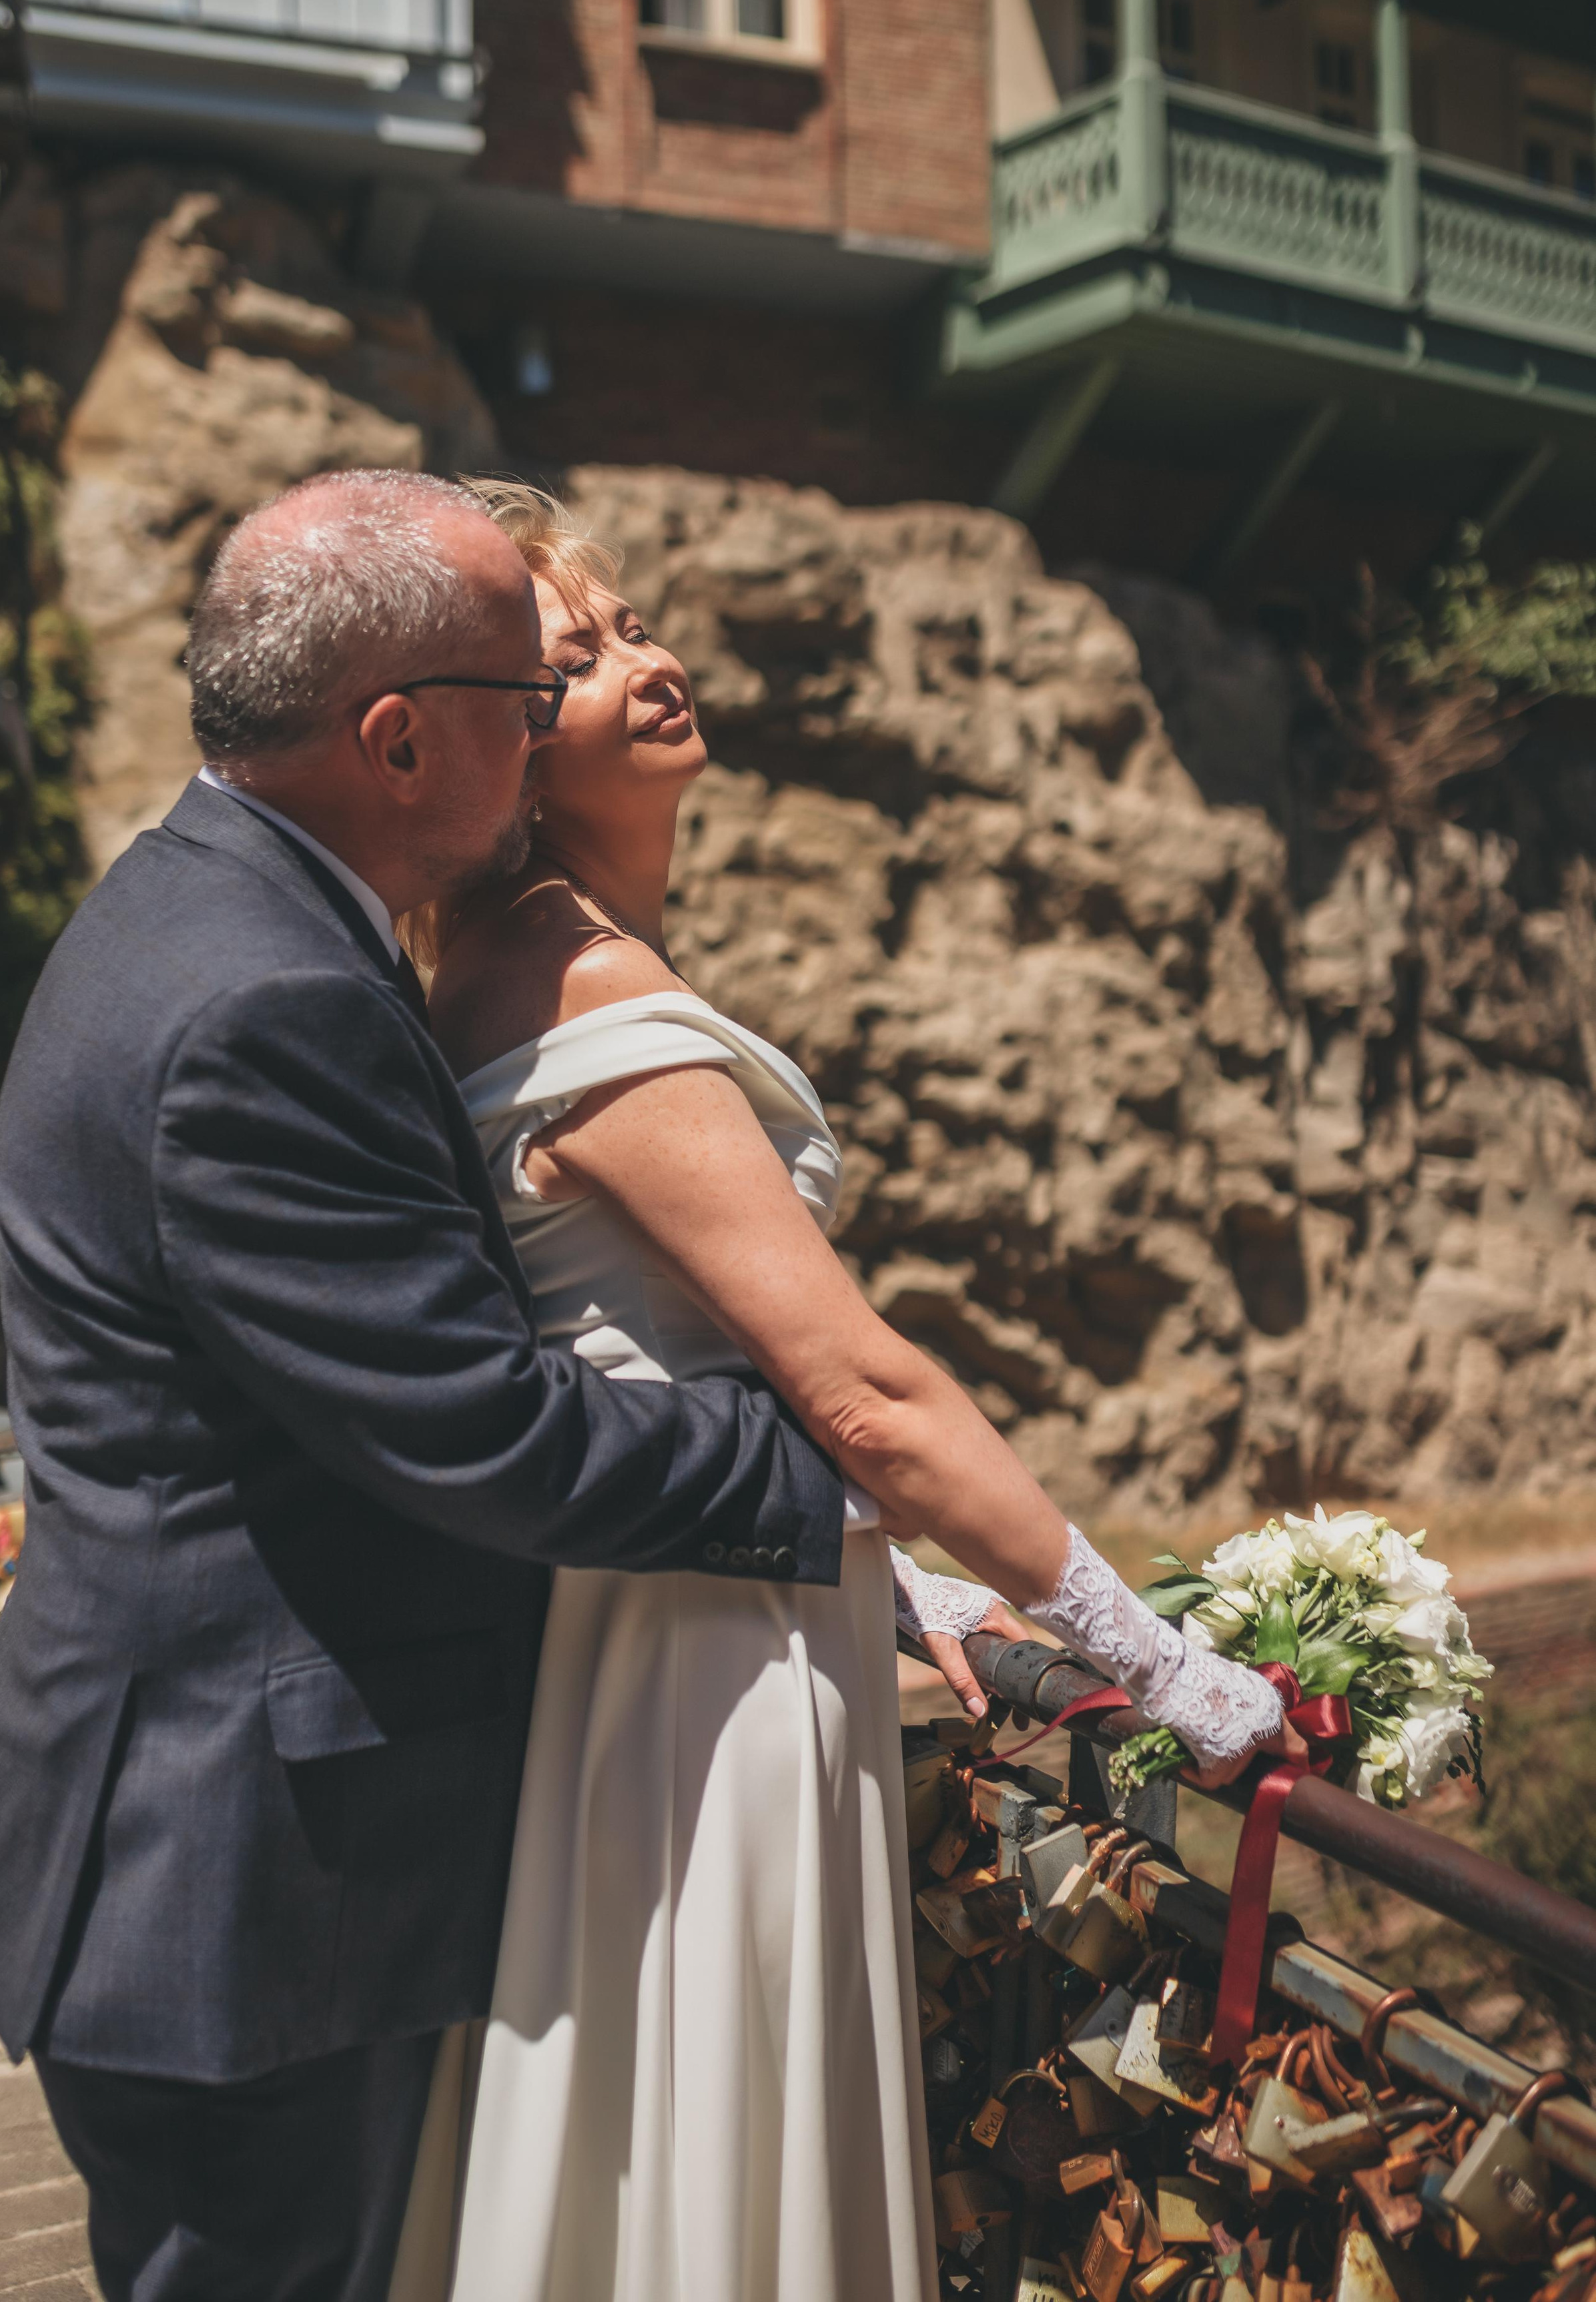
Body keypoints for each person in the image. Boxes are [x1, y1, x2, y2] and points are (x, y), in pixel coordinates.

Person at [0, 470, 878, 2302]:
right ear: (396, 739)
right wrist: (830, 1473)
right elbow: (479, 1426)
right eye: (522, 702)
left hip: (209, 1839)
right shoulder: (262, 1002)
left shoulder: (206, 908)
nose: (550, 730)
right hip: (237, 1889)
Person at [404, 484, 1304, 2302]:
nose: (645, 663)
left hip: (671, 1604)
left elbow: (658, 1349)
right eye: (573, 662)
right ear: (504, 748)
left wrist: (908, 1581)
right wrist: (1165, 1670)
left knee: (658, 2131)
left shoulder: (535, 961)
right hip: (695, 1659)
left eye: (636, 625)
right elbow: (865, 1393)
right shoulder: (575, 976)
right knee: (712, 2125)